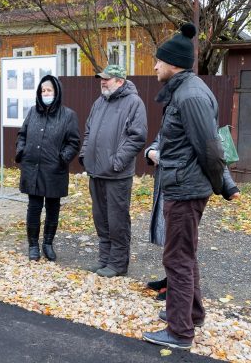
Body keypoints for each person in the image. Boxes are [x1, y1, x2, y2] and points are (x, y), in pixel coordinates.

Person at [142, 24, 226, 349]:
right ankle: (191, 313)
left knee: (176, 258)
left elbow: (210, 147)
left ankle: (180, 332)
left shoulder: (189, 95)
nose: (154, 67)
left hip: (185, 189)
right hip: (184, 186)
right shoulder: (186, 90)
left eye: (158, 61)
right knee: (185, 255)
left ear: (173, 63)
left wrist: (218, 183)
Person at [144, 134, 241, 301]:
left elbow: (212, 152)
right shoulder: (174, 112)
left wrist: (229, 186)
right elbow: (161, 138)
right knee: (172, 241)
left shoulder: (194, 112)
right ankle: (171, 282)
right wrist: (150, 152)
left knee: (181, 246)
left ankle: (177, 293)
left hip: (185, 188)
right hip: (169, 184)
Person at [79, 65, 147, 278]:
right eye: (102, 79)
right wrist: (84, 155)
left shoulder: (134, 103)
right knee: (100, 218)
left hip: (117, 174)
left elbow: (137, 137)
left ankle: (118, 264)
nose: (103, 82)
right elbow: (89, 131)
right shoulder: (99, 103)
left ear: (119, 81)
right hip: (96, 171)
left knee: (117, 220)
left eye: (107, 79)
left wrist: (118, 162)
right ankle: (104, 260)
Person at [15, 75, 80, 261]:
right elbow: (22, 134)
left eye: (49, 90)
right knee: (34, 207)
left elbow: (74, 142)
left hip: (54, 170)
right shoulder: (33, 112)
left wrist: (62, 158)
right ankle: (33, 245)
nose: (46, 93)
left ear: (56, 92)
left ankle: (48, 244)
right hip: (32, 168)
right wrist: (22, 150)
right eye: (43, 90)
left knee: (53, 208)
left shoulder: (68, 115)